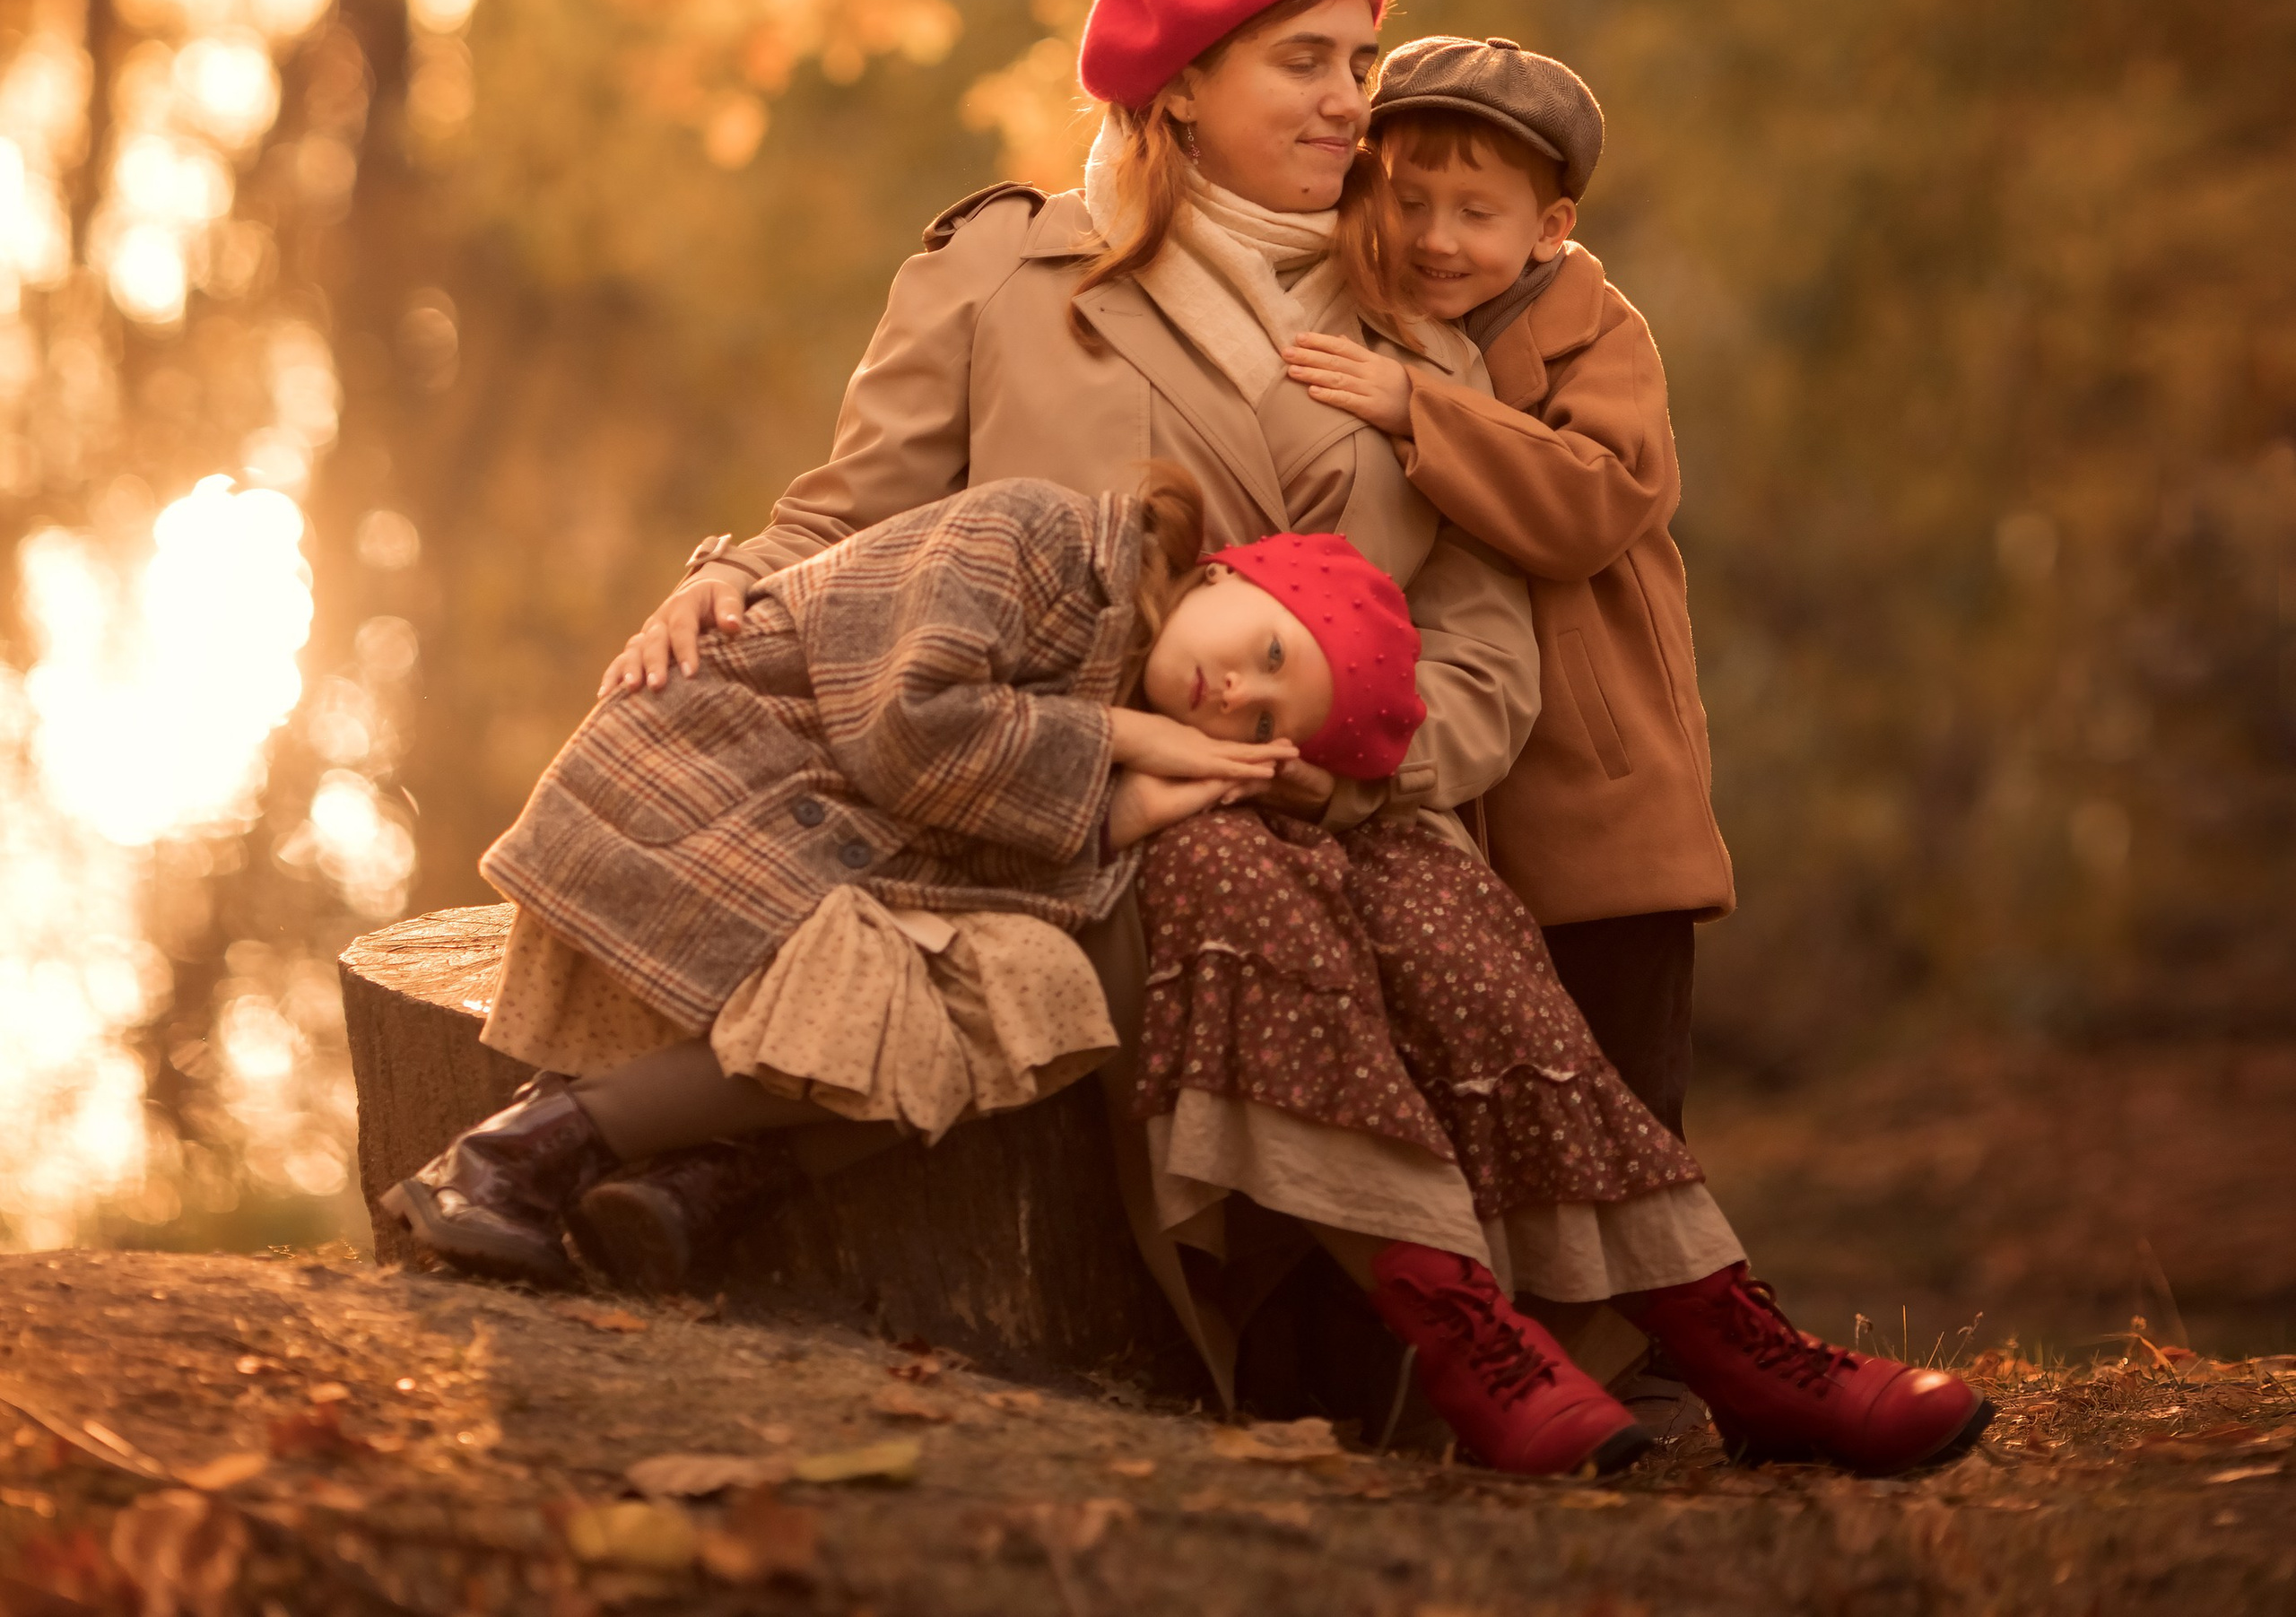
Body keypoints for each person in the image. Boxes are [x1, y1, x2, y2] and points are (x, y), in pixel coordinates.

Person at [392, 465, 1988, 1477]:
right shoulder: (1041, 538)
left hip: (846, 855)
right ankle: (513, 1151)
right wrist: (1133, 751)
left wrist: (1138, 797)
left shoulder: (1143, 686)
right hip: (704, 805)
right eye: (1262, 654)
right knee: (940, 981)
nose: (1234, 699)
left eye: (1266, 719)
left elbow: (991, 844)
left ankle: (699, 1181)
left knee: (1030, 998)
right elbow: (910, 731)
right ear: (1233, 576)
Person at [1283, 33, 1730, 1150]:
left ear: (1548, 227)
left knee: (1627, 1116)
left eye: (1475, 212)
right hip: (1456, 799)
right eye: (1409, 201)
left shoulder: (1600, 336)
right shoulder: (1367, 320)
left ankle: (1659, 1270)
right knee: (1496, 1127)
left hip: (1596, 804)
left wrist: (1417, 408)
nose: (1436, 238)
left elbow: (1592, 501)